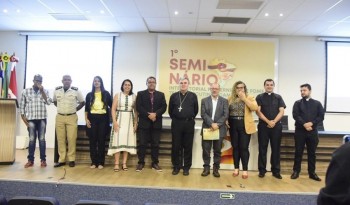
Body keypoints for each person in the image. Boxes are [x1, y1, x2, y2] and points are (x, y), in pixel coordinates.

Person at [291, 83, 325, 181]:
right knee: (298, 152)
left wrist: (311, 124)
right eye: (301, 91)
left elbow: (321, 116)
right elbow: (296, 116)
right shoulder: (297, 103)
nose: (302, 92)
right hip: (300, 131)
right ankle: (296, 171)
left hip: (313, 132)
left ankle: (312, 173)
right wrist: (305, 124)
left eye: (304, 90)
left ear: (309, 91)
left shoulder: (317, 103)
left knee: (312, 153)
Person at [256, 79, 286, 179]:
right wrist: (268, 121)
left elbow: (281, 111)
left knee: (276, 149)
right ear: (264, 86)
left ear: (273, 86)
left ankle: (276, 171)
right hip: (263, 126)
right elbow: (258, 112)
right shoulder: (259, 97)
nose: (269, 86)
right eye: (267, 85)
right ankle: (262, 170)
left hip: (276, 127)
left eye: (271, 85)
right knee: (262, 149)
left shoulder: (278, 97)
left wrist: (273, 122)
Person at [227, 81, 258, 179]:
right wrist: (225, 121)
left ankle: (245, 170)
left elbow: (254, 107)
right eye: (238, 88)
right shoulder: (230, 98)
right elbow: (226, 111)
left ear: (245, 88)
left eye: (242, 87)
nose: (240, 89)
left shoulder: (249, 97)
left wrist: (244, 98)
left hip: (244, 125)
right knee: (235, 147)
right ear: (235, 89)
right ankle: (236, 168)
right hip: (233, 124)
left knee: (244, 148)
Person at [135, 76, 167, 172]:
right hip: (144, 122)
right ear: (147, 83)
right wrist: (148, 115)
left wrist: (155, 114)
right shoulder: (140, 94)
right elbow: (138, 107)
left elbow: (164, 107)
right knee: (142, 144)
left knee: (155, 144)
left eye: (153, 82)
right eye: (149, 82)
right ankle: (141, 163)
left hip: (156, 123)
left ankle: (155, 163)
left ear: (155, 83)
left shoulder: (161, 95)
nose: (151, 83)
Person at [19, 74, 51, 168]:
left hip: (42, 119)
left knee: (42, 139)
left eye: (40, 81)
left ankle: (43, 160)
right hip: (31, 119)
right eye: (37, 80)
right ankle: (30, 160)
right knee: (32, 140)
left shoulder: (45, 91)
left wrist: (42, 92)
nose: (38, 82)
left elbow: (49, 102)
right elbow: (22, 107)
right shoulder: (26, 91)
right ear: (33, 80)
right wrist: (24, 120)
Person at [53, 75, 85, 168]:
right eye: (65, 80)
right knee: (60, 139)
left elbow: (82, 102)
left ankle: (71, 159)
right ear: (62, 81)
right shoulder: (57, 90)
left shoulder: (76, 91)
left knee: (71, 138)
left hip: (72, 117)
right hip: (60, 117)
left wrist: (74, 110)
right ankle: (62, 159)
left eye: (68, 80)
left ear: (71, 81)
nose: (67, 81)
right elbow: (55, 102)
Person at [169, 77, 198, 176]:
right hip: (177, 123)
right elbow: (170, 111)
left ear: (188, 84)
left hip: (189, 123)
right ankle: (176, 166)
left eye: (185, 83)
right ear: (179, 84)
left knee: (188, 146)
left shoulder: (193, 96)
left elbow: (195, 110)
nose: (183, 84)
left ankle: (186, 167)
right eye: (181, 83)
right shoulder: (174, 96)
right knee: (176, 146)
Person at [108, 79, 138, 172]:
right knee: (117, 141)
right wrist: (114, 122)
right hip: (119, 119)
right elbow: (113, 109)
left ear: (131, 86)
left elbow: (136, 111)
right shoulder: (117, 95)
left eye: (129, 85)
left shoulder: (134, 96)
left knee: (126, 142)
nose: (127, 86)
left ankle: (124, 163)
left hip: (130, 120)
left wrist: (136, 123)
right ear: (122, 86)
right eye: (125, 85)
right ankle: (116, 163)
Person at [200, 83, 228, 177]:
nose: (214, 90)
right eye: (213, 88)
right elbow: (203, 114)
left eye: (216, 88)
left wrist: (218, 124)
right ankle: (206, 168)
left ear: (219, 89)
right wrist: (212, 124)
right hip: (208, 128)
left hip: (219, 129)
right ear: (210, 89)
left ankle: (216, 169)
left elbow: (225, 115)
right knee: (206, 150)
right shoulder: (204, 100)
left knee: (217, 151)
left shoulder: (224, 101)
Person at [85, 76, 112, 169]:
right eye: (95, 81)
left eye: (98, 81)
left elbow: (112, 106)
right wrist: (86, 119)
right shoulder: (89, 95)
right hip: (92, 119)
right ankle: (93, 162)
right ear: (93, 83)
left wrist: (113, 118)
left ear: (101, 83)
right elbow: (86, 109)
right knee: (92, 141)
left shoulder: (106, 94)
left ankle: (101, 162)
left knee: (101, 141)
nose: (96, 82)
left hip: (103, 119)